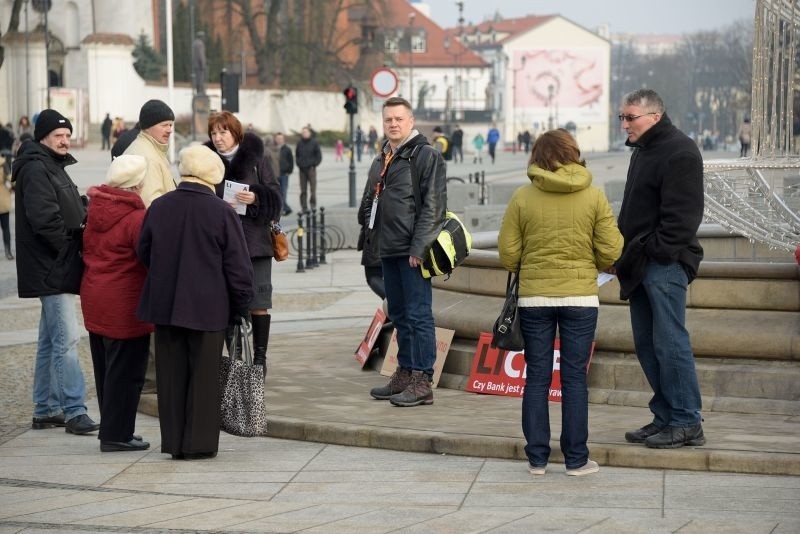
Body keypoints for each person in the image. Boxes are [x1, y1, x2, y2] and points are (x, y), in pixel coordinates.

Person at [498, 129, 623, 477]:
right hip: (581, 298)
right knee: (573, 379)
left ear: (536, 157)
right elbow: (612, 250)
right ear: (574, 153)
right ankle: (576, 459)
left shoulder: (522, 198)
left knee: (536, 378)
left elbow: (508, 255)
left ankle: (537, 458)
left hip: (535, 299)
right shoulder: (595, 197)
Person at [137, 144, 254, 460]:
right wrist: (242, 305)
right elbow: (238, 267)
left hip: (165, 305)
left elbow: (143, 251)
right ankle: (198, 443)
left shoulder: (159, 206)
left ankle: (174, 441)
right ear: (212, 177)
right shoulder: (221, 212)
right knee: (204, 377)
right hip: (207, 307)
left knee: (171, 375)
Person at [614, 89, 706, 449]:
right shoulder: (644, 149)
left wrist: (653, 252)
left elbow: (682, 220)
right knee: (647, 345)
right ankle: (666, 415)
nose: (624, 124)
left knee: (670, 343)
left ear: (654, 116)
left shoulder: (680, 151)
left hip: (663, 264)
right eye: (621, 117)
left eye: (630, 117)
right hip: (639, 264)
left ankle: (687, 421)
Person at [12, 109, 100, 435]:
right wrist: (68, 250)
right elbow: (45, 221)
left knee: (50, 341)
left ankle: (45, 408)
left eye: (67, 135)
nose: (65, 141)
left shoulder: (51, 164)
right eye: (59, 136)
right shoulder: (36, 169)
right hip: (51, 266)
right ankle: (74, 410)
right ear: (43, 137)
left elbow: (66, 206)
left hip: (54, 264)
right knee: (67, 339)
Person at [367, 96, 446, 407]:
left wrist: (420, 247)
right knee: (398, 313)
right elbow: (370, 203)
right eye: (388, 120)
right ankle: (404, 372)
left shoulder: (426, 156)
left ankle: (422, 380)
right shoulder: (383, 157)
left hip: (411, 250)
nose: (393, 124)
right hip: (387, 247)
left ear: (411, 121)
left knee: (418, 315)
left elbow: (434, 207)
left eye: (399, 119)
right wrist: (369, 243)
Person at [81, 155, 152, 452]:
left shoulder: (96, 208)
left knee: (106, 370)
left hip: (95, 297)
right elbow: (148, 256)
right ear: (137, 183)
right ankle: (117, 435)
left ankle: (113, 429)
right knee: (128, 373)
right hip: (124, 304)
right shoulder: (136, 217)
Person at [205, 110, 282, 372]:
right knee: (228, 303)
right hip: (222, 244)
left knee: (259, 302)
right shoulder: (207, 160)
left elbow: (275, 194)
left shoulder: (257, 156)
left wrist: (256, 197)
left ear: (235, 133)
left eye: (223, 131)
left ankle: (260, 360)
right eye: (214, 133)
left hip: (255, 242)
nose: (218, 138)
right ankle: (236, 360)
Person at [122, 100, 176, 206]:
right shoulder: (148, 158)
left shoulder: (151, 149)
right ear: (148, 126)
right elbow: (151, 205)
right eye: (164, 125)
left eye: (170, 125)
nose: (169, 130)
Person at [295, 126, 322, 212]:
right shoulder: (299, 143)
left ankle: (313, 205)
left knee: (312, 190)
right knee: (303, 190)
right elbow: (297, 155)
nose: (305, 134)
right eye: (303, 132)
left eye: (306, 132)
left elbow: (319, 156)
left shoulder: (314, 143)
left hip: (311, 169)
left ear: (309, 133)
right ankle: (304, 207)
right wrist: (299, 163)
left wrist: (314, 164)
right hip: (302, 170)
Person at [275, 132, 294, 215]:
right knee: (275, 192)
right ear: (275, 139)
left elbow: (291, 161)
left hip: (284, 174)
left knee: (283, 192)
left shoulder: (287, 149)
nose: (279, 140)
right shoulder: (273, 148)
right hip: (274, 174)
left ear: (283, 139)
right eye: (278, 138)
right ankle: (283, 208)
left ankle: (283, 208)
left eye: (281, 139)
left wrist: (289, 171)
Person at [0, 151, 13, 260]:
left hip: (3, 199)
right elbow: (10, 178)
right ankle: (8, 252)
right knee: (5, 227)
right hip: (3, 198)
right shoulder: (3, 163)